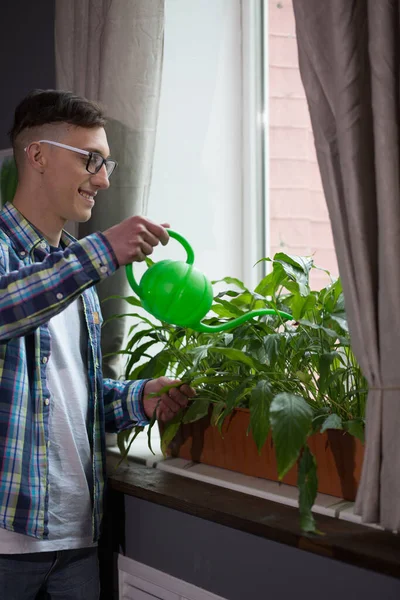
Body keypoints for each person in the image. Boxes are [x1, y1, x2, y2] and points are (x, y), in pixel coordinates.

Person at [0, 89, 195, 599]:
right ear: (37, 155)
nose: (104, 180)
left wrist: (137, 398)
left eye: (107, 164)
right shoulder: (59, 262)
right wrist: (102, 250)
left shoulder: (76, 273)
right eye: (91, 160)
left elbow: (64, 398)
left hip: (78, 539)